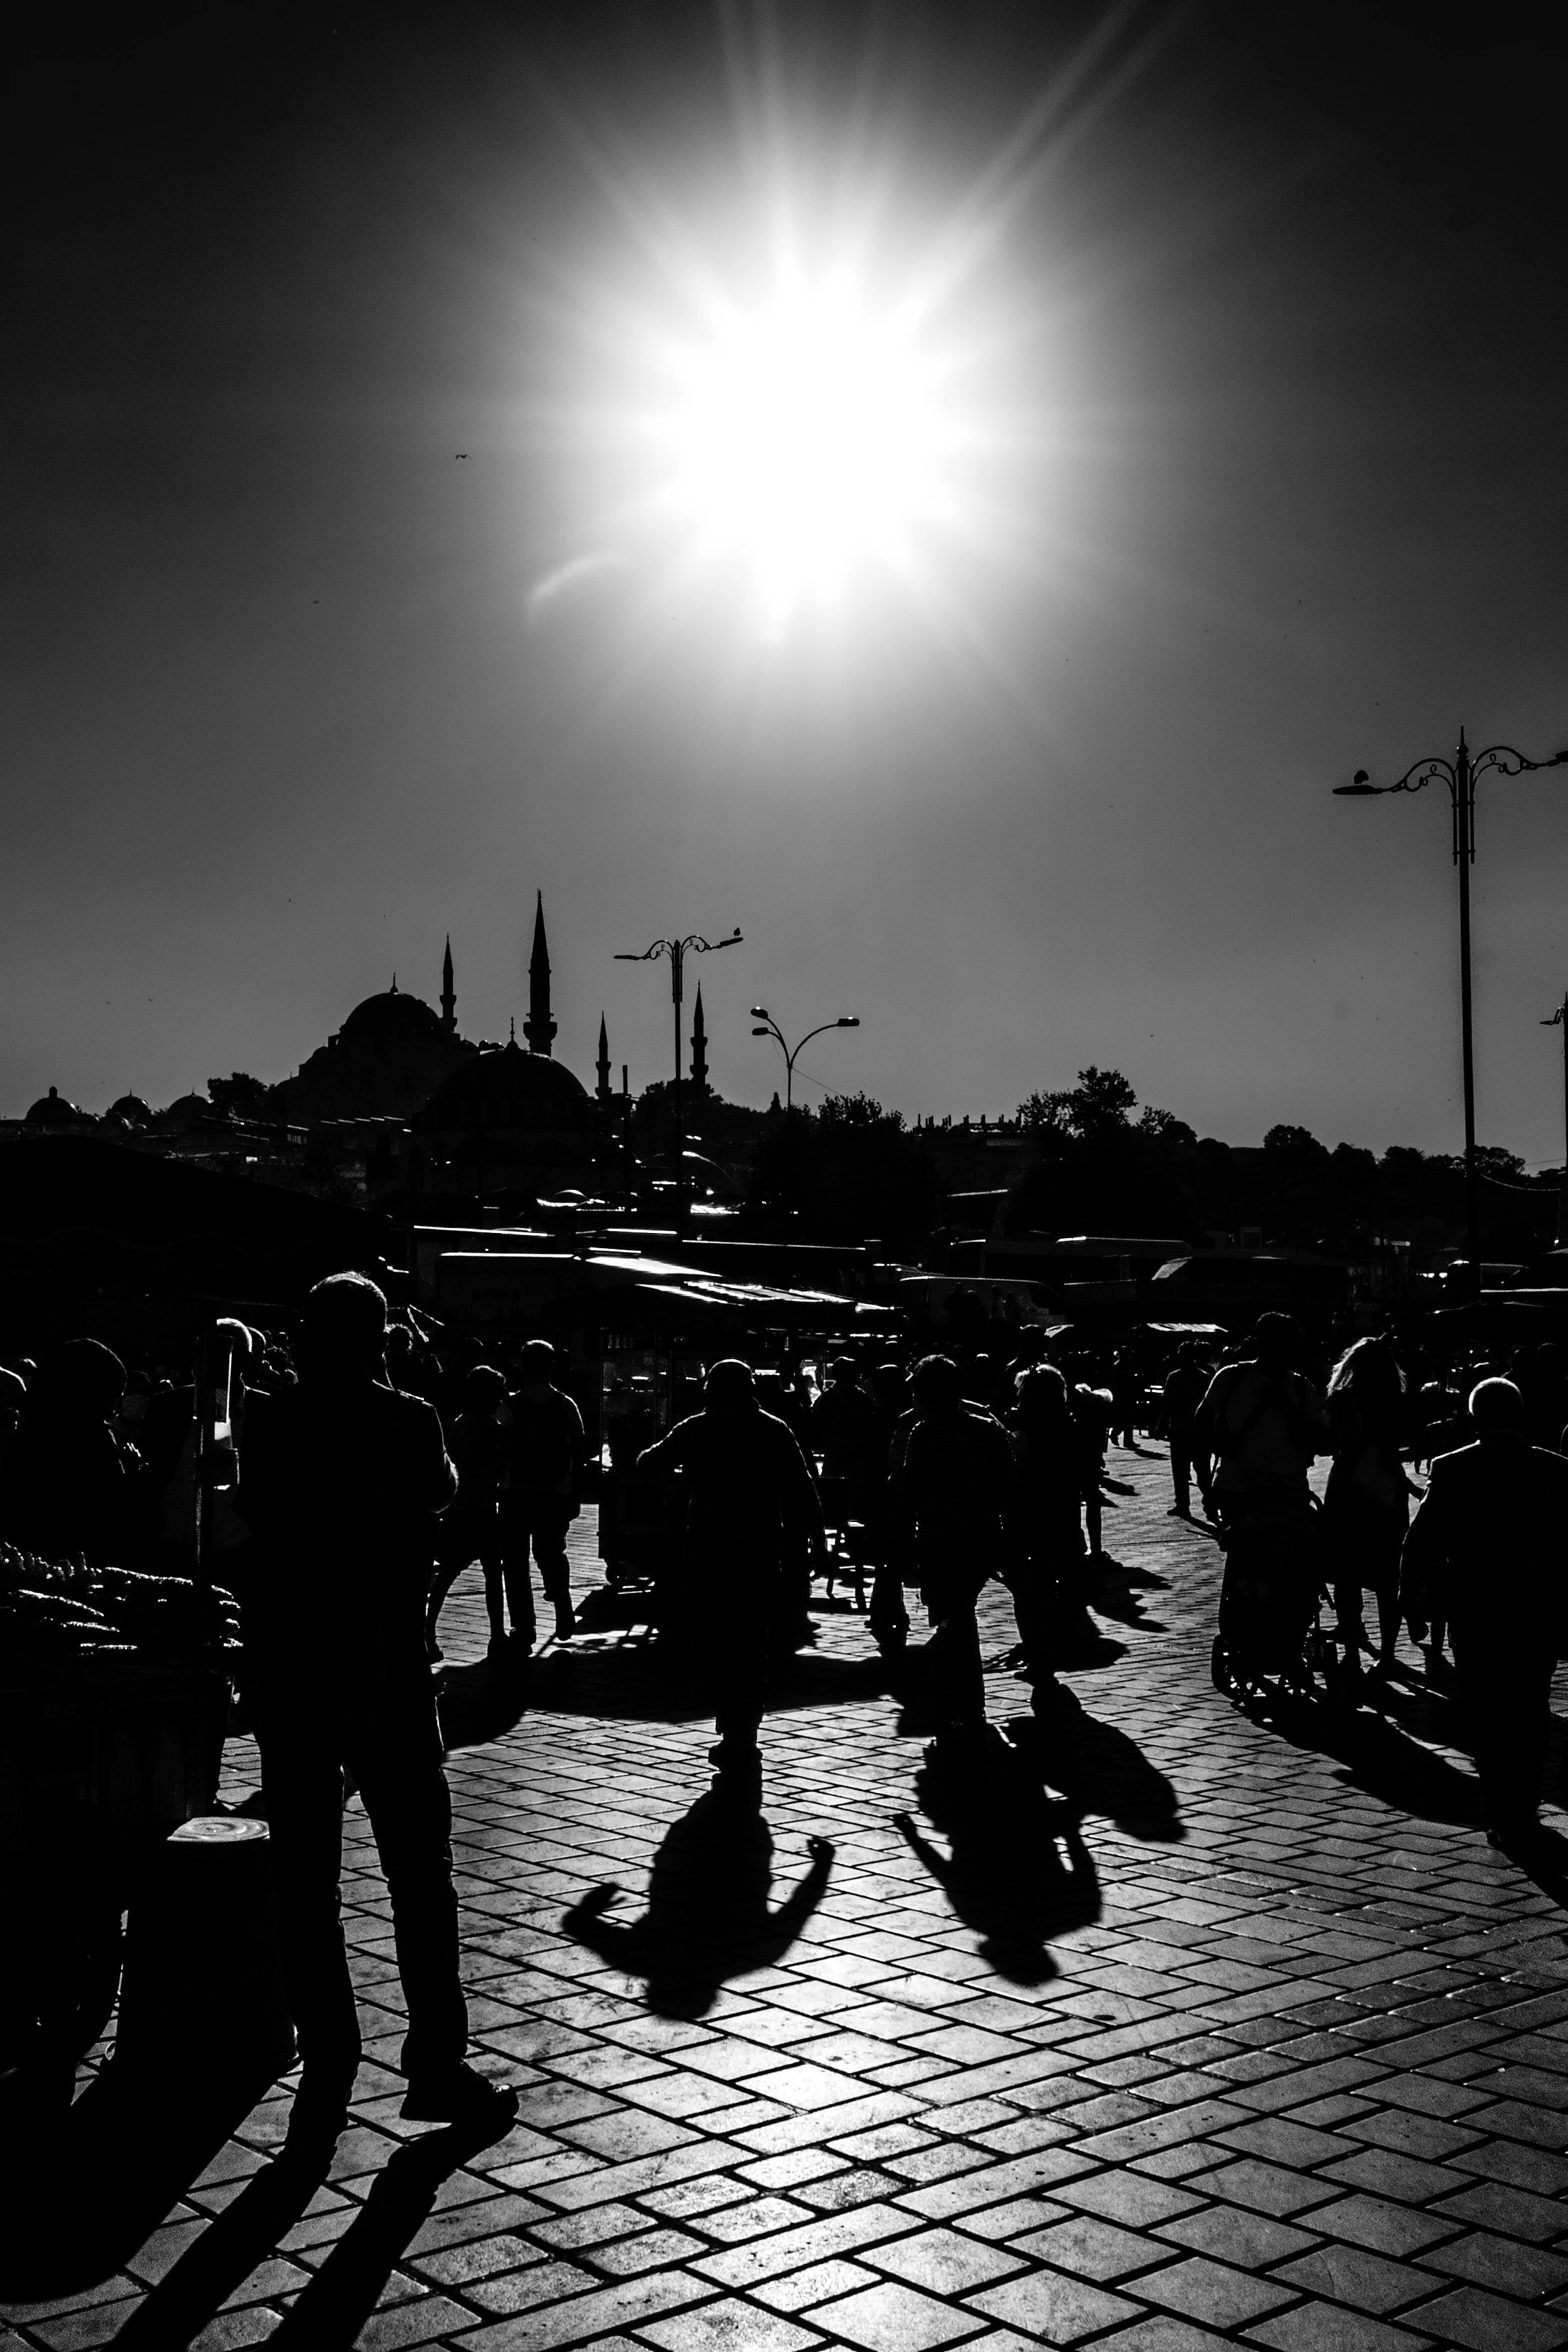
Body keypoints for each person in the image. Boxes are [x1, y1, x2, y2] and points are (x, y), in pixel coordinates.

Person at [234, 1272, 515, 2144]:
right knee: (417, 1877)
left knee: (305, 1880)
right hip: (385, 1676)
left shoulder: (264, 1420)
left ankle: (329, 2051)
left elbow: (245, 1514)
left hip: (288, 1676)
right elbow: (439, 1490)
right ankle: (433, 2063)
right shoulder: (409, 1418)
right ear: (381, 1338)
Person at [637, 1359, 826, 1792]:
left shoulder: (696, 1428)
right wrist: (818, 1541)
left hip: (708, 1546)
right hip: (760, 1546)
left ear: (711, 1390)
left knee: (717, 1635)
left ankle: (727, 1717)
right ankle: (745, 1729)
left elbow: (649, 1463)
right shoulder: (774, 1428)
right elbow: (802, 1487)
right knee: (753, 1640)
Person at [1402, 1376, 1568, 1849]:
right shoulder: (1556, 1470)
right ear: (1520, 1415)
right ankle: (1525, 1804)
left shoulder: (1452, 1468)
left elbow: (1420, 1543)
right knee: (1530, 1711)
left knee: (1487, 1717)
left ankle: (1502, 1814)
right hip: (1536, 1610)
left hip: (1473, 1613)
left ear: (1473, 1417)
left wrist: (1410, 1599)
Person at [891, 1353, 1016, 1762]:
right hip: (982, 1538)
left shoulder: (923, 1433)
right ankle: (965, 1700)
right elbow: (1009, 1482)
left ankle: (962, 1702)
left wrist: (903, 1542)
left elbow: (910, 1491)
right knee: (959, 1615)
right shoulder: (986, 1429)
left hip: (940, 1540)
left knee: (954, 1619)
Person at [1323, 1335, 1413, 1684]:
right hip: (1387, 1487)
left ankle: (1352, 1652)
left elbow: (1332, 1442)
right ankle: (1388, 1654)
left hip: (1347, 1486)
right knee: (1389, 1575)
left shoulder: (1342, 1399)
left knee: (1348, 1573)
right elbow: (1407, 1440)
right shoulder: (1399, 1402)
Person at [0, 1338, 131, 1563]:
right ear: (92, 1391)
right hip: (78, 1566)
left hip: (24, 1562)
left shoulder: (27, 1431)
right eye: (113, 1398)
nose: (114, 1411)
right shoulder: (94, 1437)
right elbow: (113, 1510)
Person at [1008, 1363, 1089, 1706]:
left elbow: (1014, 1470)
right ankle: (1047, 1654)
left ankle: (1040, 1658)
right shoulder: (1068, 1425)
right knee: (1052, 1588)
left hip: (1031, 1518)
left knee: (1029, 1591)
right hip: (1063, 1518)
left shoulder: (1025, 1428)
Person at [497, 1339, 584, 1649]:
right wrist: (574, 1495)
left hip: (515, 1491)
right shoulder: (566, 1405)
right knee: (551, 1553)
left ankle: (524, 1626)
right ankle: (562, 1601)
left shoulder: (507, 1405)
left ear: (522, 1365)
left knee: (515, 1561)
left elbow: (500, 1449)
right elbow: (578, 1451)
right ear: (552, 1367)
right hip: (555, 1491)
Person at [1199, 1313, 1322, 1520]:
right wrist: (1220, 1444)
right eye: (1285, 1343)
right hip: (1243, 1491)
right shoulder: (1230, 1377)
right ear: (1264, 1343)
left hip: (1284, 1492)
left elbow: (1317, 1440)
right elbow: (1203, 1418)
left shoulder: (1302, 1388)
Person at [426, 1364, 509, 1664]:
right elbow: (500, 1470)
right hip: (484, 1508)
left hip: (459, 1507)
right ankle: (497, 1634)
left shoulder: (460, 1423)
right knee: (492, 1573)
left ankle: (429, 1630)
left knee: (447, 1573)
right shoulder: (494, 1429)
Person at [1161, 1344, 1213, 1519]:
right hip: (1200, 1432)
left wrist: (1161, 1425)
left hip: (1180, 1430)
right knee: (1204, 1472)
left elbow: (1167, 1404)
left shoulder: (1174, 1377)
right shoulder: (1205, 1377)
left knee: (1181, 1471)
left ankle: (1183, 1506)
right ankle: (1211, 1505)